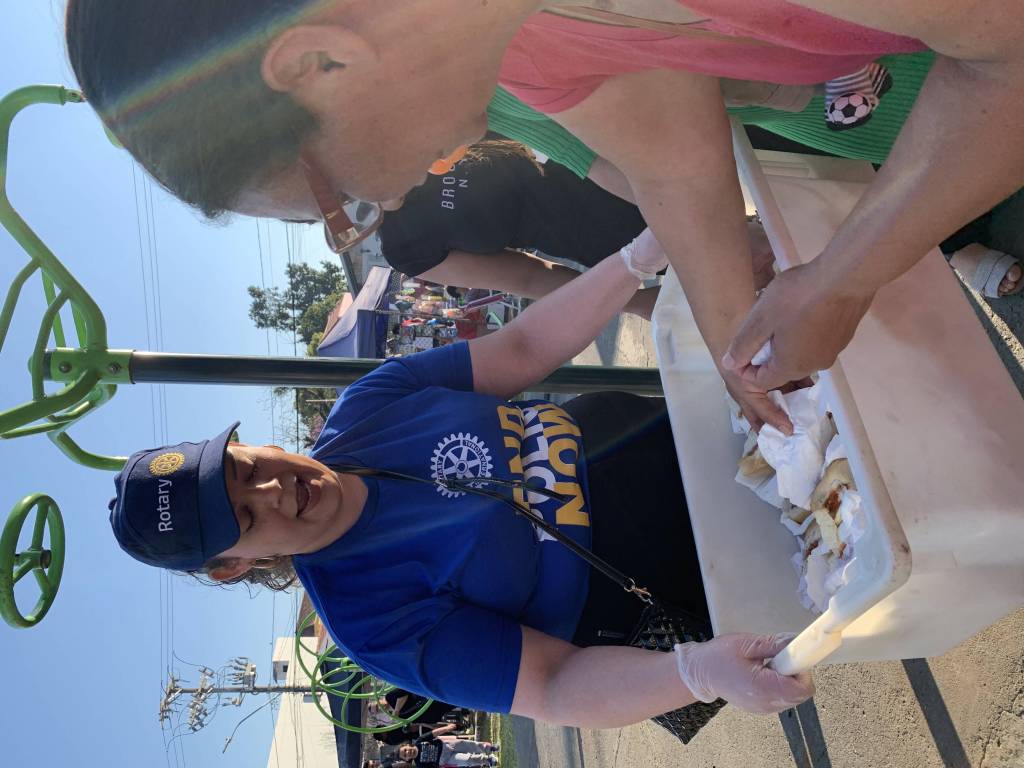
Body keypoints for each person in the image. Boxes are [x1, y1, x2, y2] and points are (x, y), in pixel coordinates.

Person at [65, 0, 1024, 437]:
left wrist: (844, 279)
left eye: (340, 200)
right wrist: (743, 349)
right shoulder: (518, 43)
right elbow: (667, 154)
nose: (383, 207)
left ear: (321, 63)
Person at [107, 230, 813, 734]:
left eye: (245, 467)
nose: (273, 490)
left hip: (672, 436)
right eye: (245, 518)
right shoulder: (367, 623)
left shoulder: (365, 408)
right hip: (683, 568)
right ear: (233, 566)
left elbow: (523, 346)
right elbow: (553, 685)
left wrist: (635, 259)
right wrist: (694, 673)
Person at [377, 138, 657, 318]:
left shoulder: (410, 123)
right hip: (611, 237)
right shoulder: (402, 246)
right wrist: (632, 301)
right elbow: (529, 278)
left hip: (624, 159)